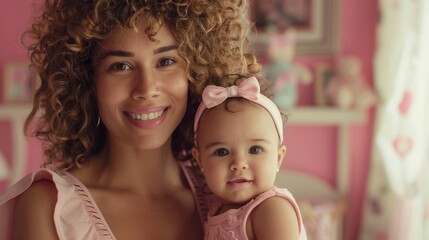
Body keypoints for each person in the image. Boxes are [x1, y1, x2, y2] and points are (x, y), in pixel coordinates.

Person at [0, 0, 261, 239]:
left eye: (166, 61)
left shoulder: (234, 193)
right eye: (120, 66)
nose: (146, 89)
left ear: (195, 73)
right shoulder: (49, 207)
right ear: (87, 81)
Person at [192, 76, 307, 240]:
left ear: (278, 158)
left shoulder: (272, 208)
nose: (238, 164)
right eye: (222, 152)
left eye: (255, 149)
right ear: (200, 160)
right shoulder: (215, 209)